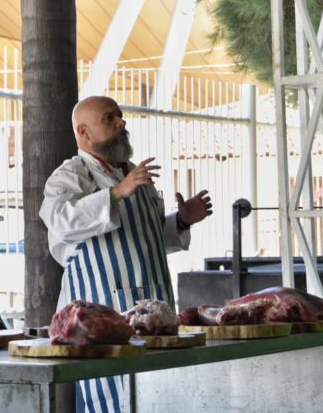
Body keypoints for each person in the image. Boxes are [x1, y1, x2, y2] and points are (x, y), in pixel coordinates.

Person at [39, 95, 212, 413]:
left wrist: (183, 219)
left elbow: (148, 239)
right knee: (107, 401)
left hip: (154, 317)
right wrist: (116, 192)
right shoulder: (71, 175)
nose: (121, 123)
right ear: (84, 133)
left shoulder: (138, 177)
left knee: (158, 399)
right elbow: (60, 220)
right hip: (100, 325)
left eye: (120, 117)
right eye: (109, 118)